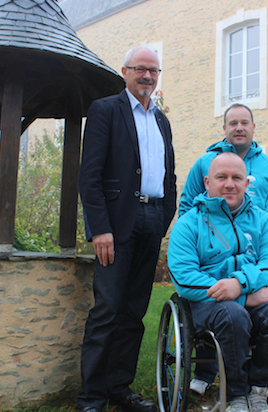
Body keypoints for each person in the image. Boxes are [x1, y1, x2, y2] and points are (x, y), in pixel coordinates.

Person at [77, 46, 177, 412]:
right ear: (125, 71)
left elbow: (169, 176)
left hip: (152, 222)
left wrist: (165, 217)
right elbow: (89, 177)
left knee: (134, 314)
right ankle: (91, 399)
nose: (148, 76)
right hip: (116, 225)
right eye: (140, 69)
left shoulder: (162, 121)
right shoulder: (105, 110)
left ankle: (120, 390)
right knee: (107, 311)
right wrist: (99, 229)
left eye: (154, 70)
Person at [168, 153, 268, 412]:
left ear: (247, 183)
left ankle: (258, 389)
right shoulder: (188, 224)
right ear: (207, 182)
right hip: (208, 300)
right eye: (222, 177)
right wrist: (241, 297)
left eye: (237, 178)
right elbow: (184, 278)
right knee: (233, 315)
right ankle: (236, 393)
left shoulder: (262, 220)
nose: (230, 184)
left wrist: (239, 285)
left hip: (252, 293)